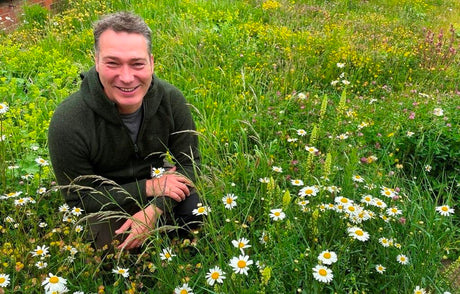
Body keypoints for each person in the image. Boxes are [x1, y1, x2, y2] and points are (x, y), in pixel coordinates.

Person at [48, 11, 202, 252]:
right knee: (116, 245)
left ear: (151, 62)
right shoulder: (68, 120)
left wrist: (157, 206)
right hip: (106, 199)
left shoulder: (171, 99)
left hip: (159, 184)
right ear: (96, 61)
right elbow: (79, 199)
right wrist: (149, 187)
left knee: (195, 216)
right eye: (113, 63)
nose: (127, 77)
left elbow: (190, 164)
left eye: (137, 63)